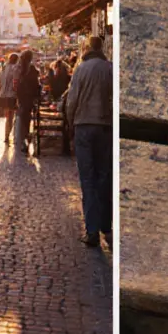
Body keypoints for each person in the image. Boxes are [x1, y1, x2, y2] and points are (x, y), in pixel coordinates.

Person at [65, 35, 113, 247]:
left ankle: (92, 230)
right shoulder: (109, 68)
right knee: (104, 177)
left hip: (84, 126)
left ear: (86, 48)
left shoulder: (81, 70)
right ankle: (106, 227)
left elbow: (71, 100)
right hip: (105, 127)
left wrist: (69, 124)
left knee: (88, 179)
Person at [14, 49, 40, 153]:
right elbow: (36, 85)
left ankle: (22, 140)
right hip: (29, 98)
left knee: (22, 118)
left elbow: (15, 84)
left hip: (21, 97)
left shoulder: (19, 69)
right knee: (26, 119)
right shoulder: (32, 69)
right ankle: (25, 139)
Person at [0, 52, 20, 145]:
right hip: (11, 96)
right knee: (11, 117)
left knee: (8, 117)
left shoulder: (3, 68)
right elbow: (16, 83)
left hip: (2, 96)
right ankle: (8, 135)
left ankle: (7, 135)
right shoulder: (16, 69)